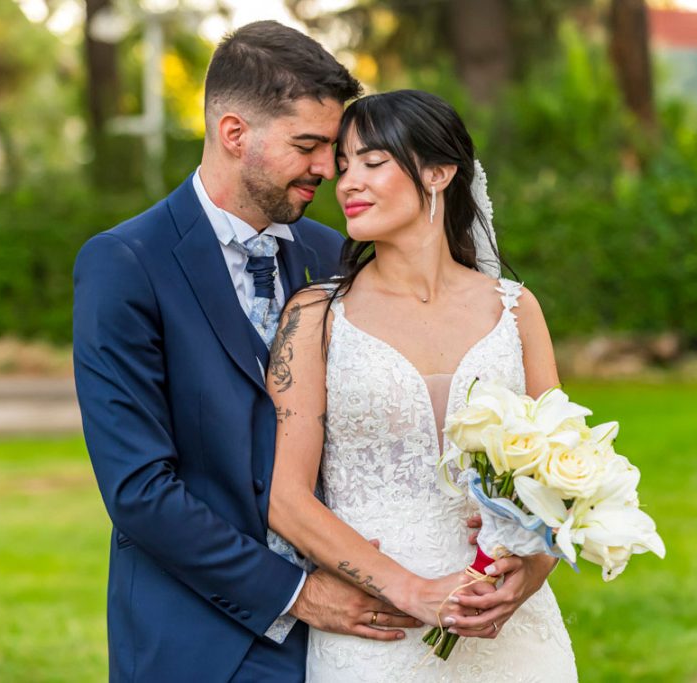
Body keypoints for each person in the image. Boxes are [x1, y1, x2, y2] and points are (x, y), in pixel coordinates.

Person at [72, 21, 420, 683]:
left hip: (348, 643)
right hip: (196, 643)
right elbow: (139, 490)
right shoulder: (125, 264)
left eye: (332, 148)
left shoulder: (333, 256)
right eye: (308, 145)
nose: (328, 169)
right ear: (234, 133)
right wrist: (296, 594)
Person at [266, 89, 579, 681]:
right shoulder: (316, 316)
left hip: (512, 633)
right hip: (378, 635)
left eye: (372, 162)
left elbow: (563, 473)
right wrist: (410, 591)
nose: (348, 182)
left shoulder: (515, 309)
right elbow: (286, 498)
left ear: (438, 173)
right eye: (344, 166)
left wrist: (530, 575)